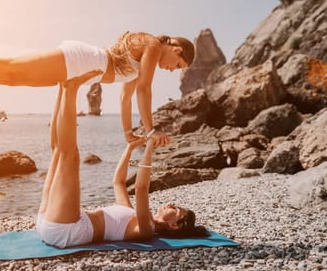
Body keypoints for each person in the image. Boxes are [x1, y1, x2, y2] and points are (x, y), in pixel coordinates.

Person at [0, 31, 195, 145]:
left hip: (81, 70)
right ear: (177, 49)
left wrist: (128, 132)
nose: (171, 70)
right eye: (177, 66)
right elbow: (144, 90)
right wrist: (152, 129)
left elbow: (127, 96)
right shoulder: (155, 45)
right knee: (10, 70)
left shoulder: (145, 58)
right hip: (81, 60)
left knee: (10, 76)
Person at [35, 69, 207, 248]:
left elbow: (141, 188)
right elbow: (118, 182)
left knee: (68, 155)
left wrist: (149, 145)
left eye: (176, 209)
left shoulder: (146, 229)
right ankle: (64, 88)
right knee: (58, 151)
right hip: (52, 223)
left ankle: (71, 89)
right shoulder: (131, 213)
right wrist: (129, 149)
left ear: (173, 225)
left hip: (67, 230)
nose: (172, 204)